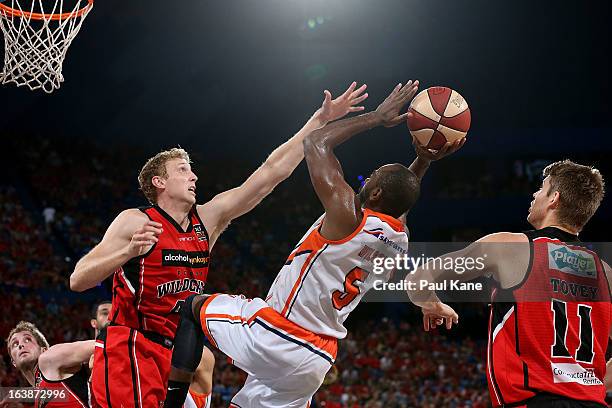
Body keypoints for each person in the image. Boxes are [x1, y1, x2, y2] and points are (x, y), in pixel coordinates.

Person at [164, 80, 465, 407]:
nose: (369, 175)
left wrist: (377, 117)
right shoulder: (397, 239)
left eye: (374, 175)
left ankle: (172, 402)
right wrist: (424, 159)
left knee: (190, 308)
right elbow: (402, 197)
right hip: (317, 359)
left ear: (375, 193)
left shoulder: (348, 216)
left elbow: (316, 143)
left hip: (280, 334)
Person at [69, 82, 369, 408]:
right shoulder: (135, 221)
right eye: (183, 170)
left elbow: (269, 174)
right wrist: (127, 252)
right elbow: (79, 279)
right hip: (130, 348)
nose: (193, 177)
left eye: (192, 170)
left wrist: (319, 121)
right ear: (160, 182)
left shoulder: (208, 219)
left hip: (178, 355)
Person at [407, 160, 611, 407]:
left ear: (553, 199)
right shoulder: (605, 272)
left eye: (541, 188)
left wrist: (432, 304)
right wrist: (586, 382)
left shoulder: (507, 248)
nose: (535, 194)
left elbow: (418, 278)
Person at [5, 321, 95, 408]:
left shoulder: (48, 358)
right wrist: (14, 394)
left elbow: (101, 345)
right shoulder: (42, 390)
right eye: (15, 344)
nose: (20, 345)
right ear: (13, 362)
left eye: (28, 340)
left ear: (43, 350)